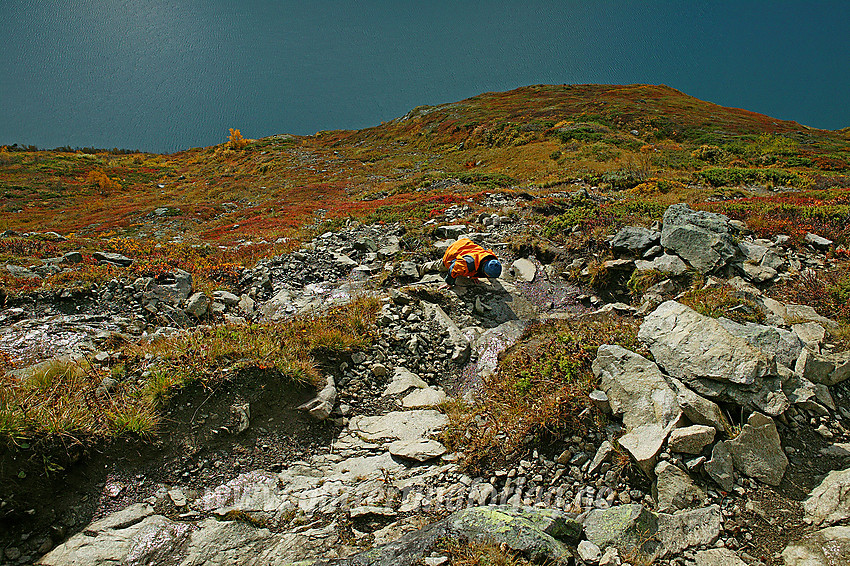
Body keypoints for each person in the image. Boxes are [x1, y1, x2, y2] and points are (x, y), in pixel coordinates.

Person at [422, 238, 502, 288]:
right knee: (439, 266)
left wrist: (474, 276)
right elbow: (453, 268)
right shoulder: (466, 263)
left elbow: (479, 263)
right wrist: (449, 282)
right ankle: (422, 268)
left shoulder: (491, 258)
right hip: (454, 252)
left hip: (466, 246)